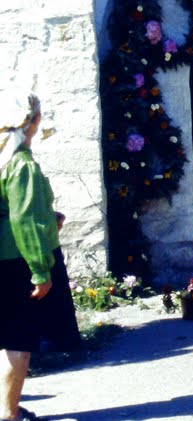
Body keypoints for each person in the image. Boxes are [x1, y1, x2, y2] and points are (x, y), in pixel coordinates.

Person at [1, 92, 81, 421]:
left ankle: (8, 407)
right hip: (16, 261)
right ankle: (9, 414)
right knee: (18, 337)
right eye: (38, 117)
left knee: (6, 334)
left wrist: (51, 217)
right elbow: (24, 220)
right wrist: (40, 270)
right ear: (30, 123)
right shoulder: (21, 165)